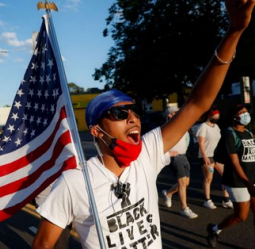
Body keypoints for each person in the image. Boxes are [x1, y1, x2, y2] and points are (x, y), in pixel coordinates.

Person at [32, 1, 255, 248]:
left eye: (133, 111)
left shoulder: (146, 155)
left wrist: (234, 31)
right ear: (97, 131)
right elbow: (42, 244)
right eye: (119, 113)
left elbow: (196, 104)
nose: (133, 117)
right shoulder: (74, 183)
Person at [207, 104, 255, 248]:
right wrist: (248, 184)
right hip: (237, 181)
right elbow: (234, 162)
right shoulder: (230, 134)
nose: (246, 115)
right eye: (242, 112)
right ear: (234, 117)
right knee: (241, 216)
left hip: (252, 179)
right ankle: (214, 229)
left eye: (246, 112)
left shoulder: (248, 133)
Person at [161, 106, 198, 219]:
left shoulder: (182, 126)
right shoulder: (167, 128)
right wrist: (167, 154)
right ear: (169, 115)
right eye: (175, 112)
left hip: (183, 156)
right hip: (175, 157)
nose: (178, 114)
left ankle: (168, 193)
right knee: (182, 182)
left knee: (186, 183)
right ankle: (184, 208)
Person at [196, 106, 233, 209]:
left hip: (217, 156)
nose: (218, 117)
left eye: (218, 115)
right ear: (210, 115)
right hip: (207, 156)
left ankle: (226, 200)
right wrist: (204, 157)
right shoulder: (203, 126)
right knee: (208, 178)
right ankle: (207, 200)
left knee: (226, 176)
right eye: (216, 115)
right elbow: (201, 143)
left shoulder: (216, 127)